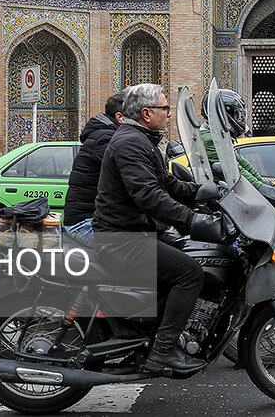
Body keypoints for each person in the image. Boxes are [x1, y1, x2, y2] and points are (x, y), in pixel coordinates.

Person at [92, 83, 227, 374]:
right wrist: (193, 221)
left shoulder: (141, 140)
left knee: (182, 255)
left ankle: (155, 333)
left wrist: (199, 191)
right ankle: (163, 351)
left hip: (133, 231)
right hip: (121, 237)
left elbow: (165, 184)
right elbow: (149, 196)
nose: (168, 114)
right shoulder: (131, 143)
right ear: (146, 113)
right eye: (165, 109)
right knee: (189, 272)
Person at [63, 92, 125, 246]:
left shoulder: (111, 136)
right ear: (120, 117)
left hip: (101, 219)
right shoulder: (106, 140)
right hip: (86, 223)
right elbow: (133, 179)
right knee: (143, 256)